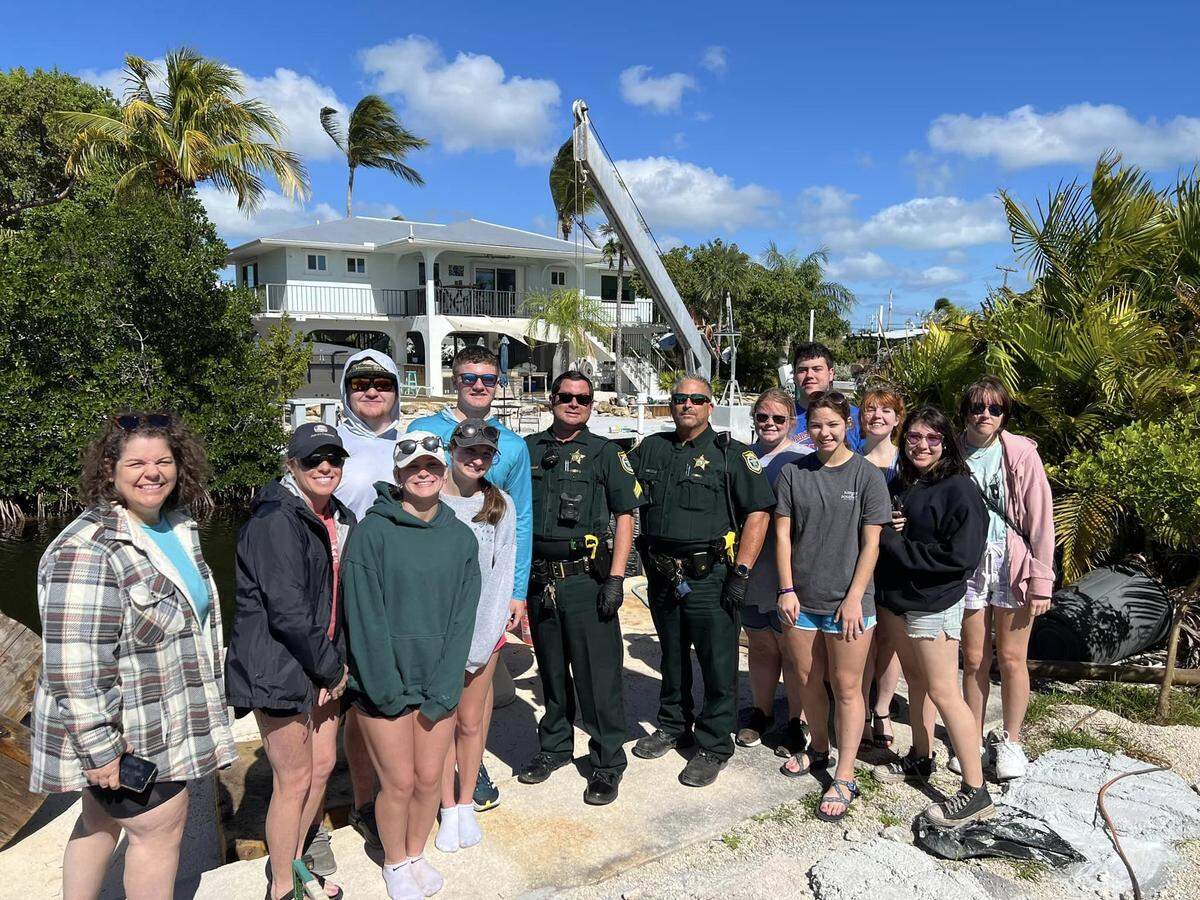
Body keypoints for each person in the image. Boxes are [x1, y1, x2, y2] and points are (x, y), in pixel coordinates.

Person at [30, 413, 236, 899]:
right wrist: (101, 750)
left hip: (165, 718)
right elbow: (74, 666)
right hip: (127, 735)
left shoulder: (176, 526)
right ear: (110, 469)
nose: (153, 472)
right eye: (137, 462)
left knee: (98, 821)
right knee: (159, 834)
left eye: (164, 460)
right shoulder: (87, 549)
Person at [341, 433, 482, 899]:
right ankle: (395, 860)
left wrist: (446, 684)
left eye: (432, 466)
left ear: (444, 473)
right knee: (397, 783)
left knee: (427, 779)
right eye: (413, 467)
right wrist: (385, 689)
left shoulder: (461, 537)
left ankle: (416, 853)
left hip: (436, 682)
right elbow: (363, 618)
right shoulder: (371, 532)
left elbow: (464, 617)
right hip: (383, 686)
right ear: (398, 476)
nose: (424, 473)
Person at [225, 424, 354, 899]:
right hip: (279, 666)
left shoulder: (338, 516)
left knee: (321, 768)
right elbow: (287, 610)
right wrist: (333, 668)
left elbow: (336, 601)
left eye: (334, 459)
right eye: (312, 459)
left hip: (322, 663)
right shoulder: (275, 521)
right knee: (293, 777)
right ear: (291, 465)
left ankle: (297, 862)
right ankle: (282, 887)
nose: (325, 467)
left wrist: (335, 662)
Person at [630, 376, 775, 787]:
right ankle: (673, 724)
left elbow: (759, 514)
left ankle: (714, 744)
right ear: (671, 404)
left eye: (696, 399)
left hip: (710, 577)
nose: (687, 405)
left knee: (717, 662)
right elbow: (619, 489)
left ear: (710, 406)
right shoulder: (652, 449)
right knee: (671, 656)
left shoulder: (732, 455)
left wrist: (742, 571)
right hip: (662, 575)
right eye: (679, 398)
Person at [408, 344, 532, 812]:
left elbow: (518, 525)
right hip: (431, 596)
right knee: (431, 700)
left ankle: (470, 769)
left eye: (488, 378)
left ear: (498, 383)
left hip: (484, 597)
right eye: (468, 377)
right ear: (454, 380)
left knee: (475, 704)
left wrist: (517, 592)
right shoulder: (424, 431)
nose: (479, 385)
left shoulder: (513, 447)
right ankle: (427, 779)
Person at [517, 371, 644, 804]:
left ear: (592, 405)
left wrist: (616, 577)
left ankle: (608, 760)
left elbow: (625, 514)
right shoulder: (527, 450)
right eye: (566, 396)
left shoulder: (606, 453)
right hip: (539, 579)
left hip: (586, 580)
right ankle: (553, 747)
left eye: (583, 399)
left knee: (597, 673)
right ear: (552, 400)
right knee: (551, 669)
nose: (574, 403)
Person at [774, 392, 890, 822]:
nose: (824, 433)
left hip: (851, 604)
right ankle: (818, 748)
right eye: (817, 425)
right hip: (801, 599)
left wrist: (856, 596)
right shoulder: (792, 473)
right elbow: (783, 536)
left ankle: (845, 773)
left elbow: (872, 542)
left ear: (848, 425)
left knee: (846, 687)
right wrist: (786, 588)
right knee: (806, 678)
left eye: (833, 425)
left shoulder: (867, 476)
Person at [873, 407, 992, 827]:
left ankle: (975, 791)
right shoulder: (905, 480)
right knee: (917, 681)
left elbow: (961, 558)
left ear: (947, 443)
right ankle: (921, 756)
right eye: (914, 438)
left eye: (932, 438)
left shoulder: (960, 489)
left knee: (944, 692)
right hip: (898, 600)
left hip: (932, 603)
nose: (922, 445)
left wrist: (895, 544)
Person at [955, 377, 1055, 780]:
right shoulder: (951, 449)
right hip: (968, 565)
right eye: (978, 408)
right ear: (965, 412)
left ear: (1004, 415)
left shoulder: (1020, 454)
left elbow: (1041, 519)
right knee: (974, 659)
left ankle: (1012, 741)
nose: (985, 415)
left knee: (1013, 658)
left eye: (994, 409)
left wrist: (1041, 579)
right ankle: (971, 738)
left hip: (1011, 562)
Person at [435, 419, 516, 851]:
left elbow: (503, 572)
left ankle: (466, 800)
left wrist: (486, 634)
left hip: (483, 630)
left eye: (485, 453)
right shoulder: (428, 498)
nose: (476, 459)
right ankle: (446, 804)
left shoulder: (499, 503)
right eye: (468, 451)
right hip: (437, 634)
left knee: (470, 722)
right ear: (452, 449)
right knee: (442, 723)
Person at [334, 349, 402, 853]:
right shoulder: (330, 444)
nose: (372, 390)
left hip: (407, 591)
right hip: (350, 588)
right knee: (360, 703)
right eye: (360, 383)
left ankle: (408, 789)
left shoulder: (417, 441)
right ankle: (364, 801)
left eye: (382, 381)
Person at [737, 388, 811, 754]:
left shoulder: (805, 461)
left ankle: (797, 720)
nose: (769, 424)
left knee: (794, 650)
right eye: (763, 417)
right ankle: (762, 711)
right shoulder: (742, 457)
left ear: (791, 423)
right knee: (761, 644)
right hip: (752, 570)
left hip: (790, 572)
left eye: (778, 418)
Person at [858, 385, 906, 749]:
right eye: (871, 409)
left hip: (892, 564)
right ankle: (854, 709)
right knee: (859, 641)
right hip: (855, 560)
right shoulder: (849, 456)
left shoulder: (908, 460)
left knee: (888, 641)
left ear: (896, 419)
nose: (877, 416)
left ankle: (882, 709)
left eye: (885, 411)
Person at [790, 342, 863, 451]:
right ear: (794, 376)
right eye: (802, 370)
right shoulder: (780, 418)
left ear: (831, 373)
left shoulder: (856, 417)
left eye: (817, 369)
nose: (809, 375)